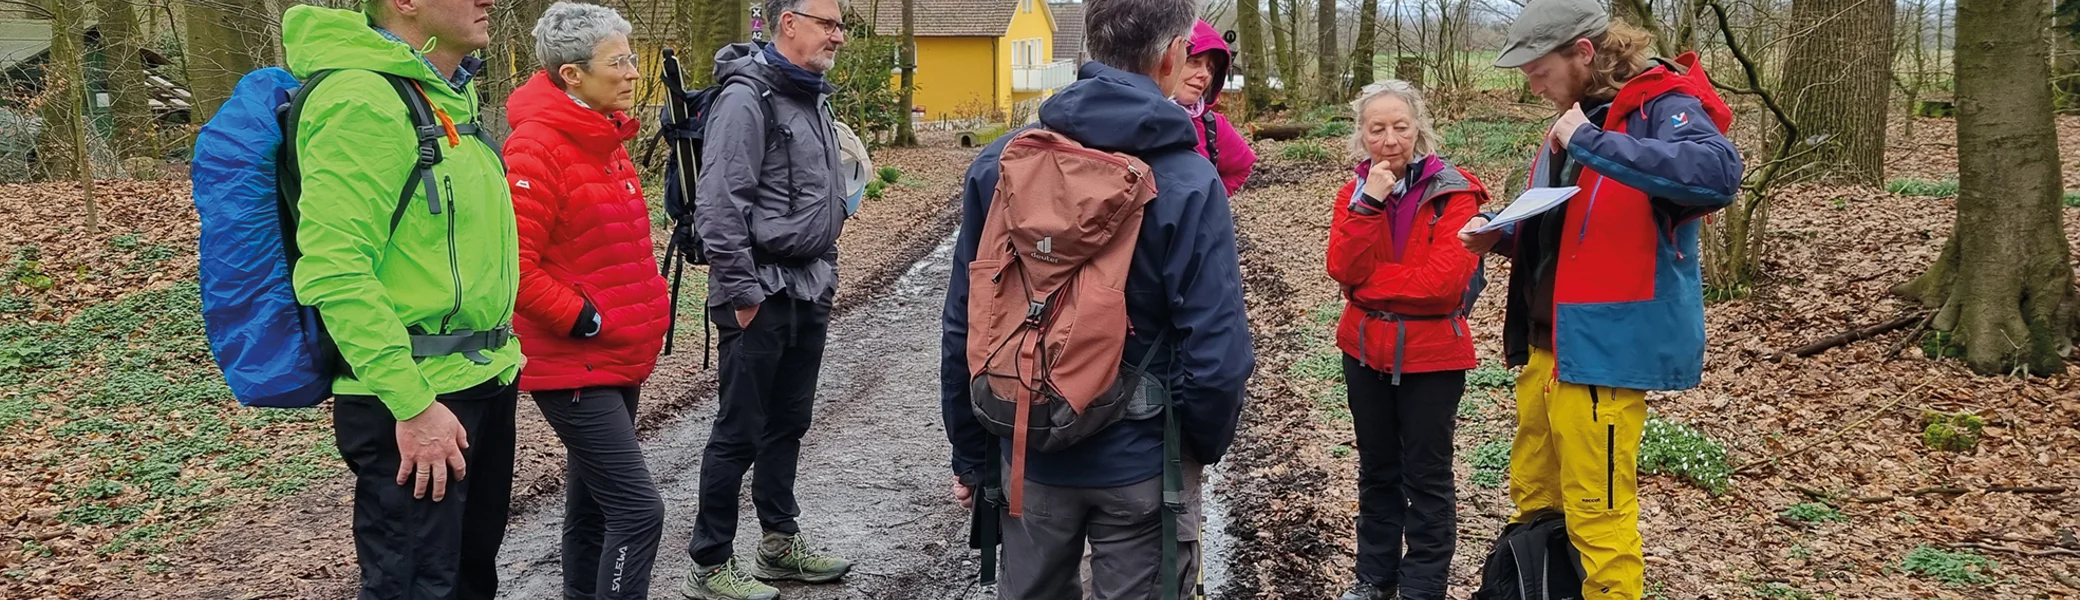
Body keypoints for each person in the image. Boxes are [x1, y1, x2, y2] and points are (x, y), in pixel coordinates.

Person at [940, 0, 1256, 595]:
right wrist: (1194, 448)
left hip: (1028, 451)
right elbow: (1218, 349)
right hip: (1142, 462)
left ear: (1090, 45)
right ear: (1172, 54)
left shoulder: (1001, 165)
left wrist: (972, 450)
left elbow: (967, 319)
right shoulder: (1188, 180)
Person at [1458, 0, 1743, 598]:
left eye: (1540, 71)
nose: (1534, 87)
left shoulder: (1660, 105)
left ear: (1583, 53)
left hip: (1602, 358)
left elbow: (1716, 174)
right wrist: (1500, 233)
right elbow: (1570, 228)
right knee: (1535, 505)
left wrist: (1592, 142)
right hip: (1547, 352)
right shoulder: (1577, 118)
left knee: (1599, 519)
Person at [281, 0, 519, 596]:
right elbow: (336, 270)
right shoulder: (359, 100)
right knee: (416, 587)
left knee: (469, 581)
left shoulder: (446, 96)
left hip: (479, 380)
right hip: (412, 397)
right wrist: (411, 405)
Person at [681, 0, 854, 596]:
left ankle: (778, 544)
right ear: (789, 22)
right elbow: (719, 206)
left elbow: (823, 198)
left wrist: (826, 265)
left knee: (788, 423)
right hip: (759, 290)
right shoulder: (746, 97)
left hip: (808, 285)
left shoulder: (812, 96)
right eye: (828, 24)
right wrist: (743, 292)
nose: (838, 36)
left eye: (841, 25)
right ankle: (709, 564)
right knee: (740, 431)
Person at [503, 3, 669, 598]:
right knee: (639, 512)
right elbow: (514, 268)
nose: (632, 72)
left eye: (631, 58)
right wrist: (585, 319)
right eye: (617, 62)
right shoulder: (535, 147)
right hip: (576, 361)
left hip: (617, 354)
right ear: (572, 74)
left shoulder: (604, 137)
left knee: (595, 509)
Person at [1325, 80, 1488, 600]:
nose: (1390, 140)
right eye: (1377, 129)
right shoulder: (1354, 193)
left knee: (1427, 477)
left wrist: (1368, 288)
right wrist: (1370, 203)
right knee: (1377, 471)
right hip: (1364, 350)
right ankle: (1374, 578)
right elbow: (1342, 268)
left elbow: (1442, 287)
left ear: (1419, 128)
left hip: (1433, 357)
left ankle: (1422, 586)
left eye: (1400, 126)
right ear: (1361, 133)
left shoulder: (1455, 194)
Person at [1175, 20, 1256, 197]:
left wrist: (1209, 201)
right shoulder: (1131, 112)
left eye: (1211, 69)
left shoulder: (1211, 124)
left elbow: (1242, 167)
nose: (1205, 74)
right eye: (1194, 62)